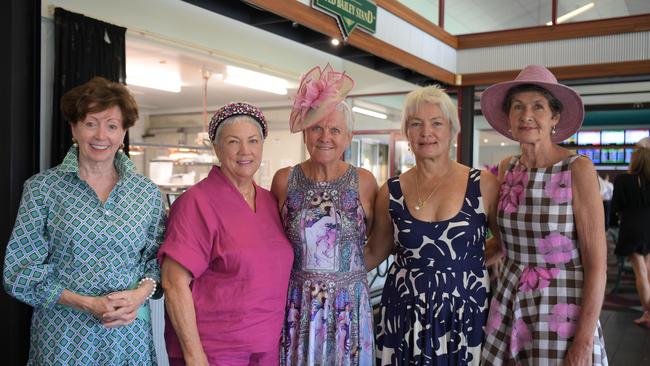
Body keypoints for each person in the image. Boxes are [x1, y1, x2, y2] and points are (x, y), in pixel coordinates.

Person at [3, 77, 165, 364]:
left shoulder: (146, 193)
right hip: (64, 336)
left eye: (112, 126)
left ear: (124, 131)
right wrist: (85, 303)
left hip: (127, 337)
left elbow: (157, 260)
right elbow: (19, 270)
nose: (101, 135)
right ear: (74, 127)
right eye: (91, 123)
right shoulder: (43, 189)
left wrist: (141, 293)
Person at [480, 65, 608, 365]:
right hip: (510, 303)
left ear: (554, 117)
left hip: (562, 308)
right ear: (509, 118)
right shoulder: (507, 168)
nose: (526, 115)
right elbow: (502, 243)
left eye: (538, 106)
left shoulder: (578, 169)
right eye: (518, 107)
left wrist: (584, 341)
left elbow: (597, 266)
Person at [364, 85, 501, 365]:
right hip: (404, 315)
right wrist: (318, 271)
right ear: (407, 133)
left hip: (466, 314)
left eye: (436, 123)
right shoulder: (390, 191)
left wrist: (467, 261)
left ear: (452, 130)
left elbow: (507, 242)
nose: (426, 132)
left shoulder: (483, 184)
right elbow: (374, 252)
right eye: (416, 124)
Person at [159, 102, 294, 365]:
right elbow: (174, 284)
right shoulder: (196, 203)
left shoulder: (270, 202)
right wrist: (194, 356)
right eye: (234, 142)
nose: (245, 151)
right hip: (214, 352)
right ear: (217, 147)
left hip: (267, 348)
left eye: (253, 141)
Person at [272, 64, 378, 365]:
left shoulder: (365, 182)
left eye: (334, 129)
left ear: (349, 137)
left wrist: (347, 275)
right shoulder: (284, 180)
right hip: (298, 305)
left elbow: (380, 242)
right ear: (305, 132)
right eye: (317, 127)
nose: (325, 136)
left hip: (349, 306)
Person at [611, 136, 650, 327]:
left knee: (641, 272)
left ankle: (648, 314)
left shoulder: (623, 180)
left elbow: (616, 206)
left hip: (632, 227)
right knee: (648, 270)